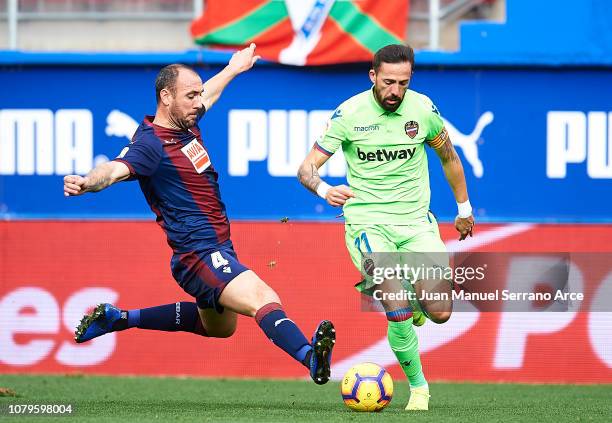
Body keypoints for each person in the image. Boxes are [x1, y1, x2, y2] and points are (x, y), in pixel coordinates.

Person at [64, 43, 335, 385]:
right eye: (191, 96)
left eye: (198, 95)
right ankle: (312, 358)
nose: (198, 102)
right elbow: (116, 168)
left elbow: (212, 92)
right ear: (166, 97)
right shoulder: (151, 145)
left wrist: (235, 67)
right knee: (263, 298)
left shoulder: (185, 124)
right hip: (199, 255)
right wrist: (88, 181)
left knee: (219, 329)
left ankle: (120, 319)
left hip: (216, 248)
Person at [297, 44, 475, 409]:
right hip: (367, 223)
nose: (395, 91)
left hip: (415, 223)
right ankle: (420, 388)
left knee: (440, 313)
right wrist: (324, 188)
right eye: (389, 82)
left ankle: (418, 302)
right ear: (373, 76)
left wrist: (464, 208)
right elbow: (306, 168)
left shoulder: (423, 110)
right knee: (397, 305)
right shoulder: (348, 114)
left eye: (403, 83)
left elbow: (449, 157)